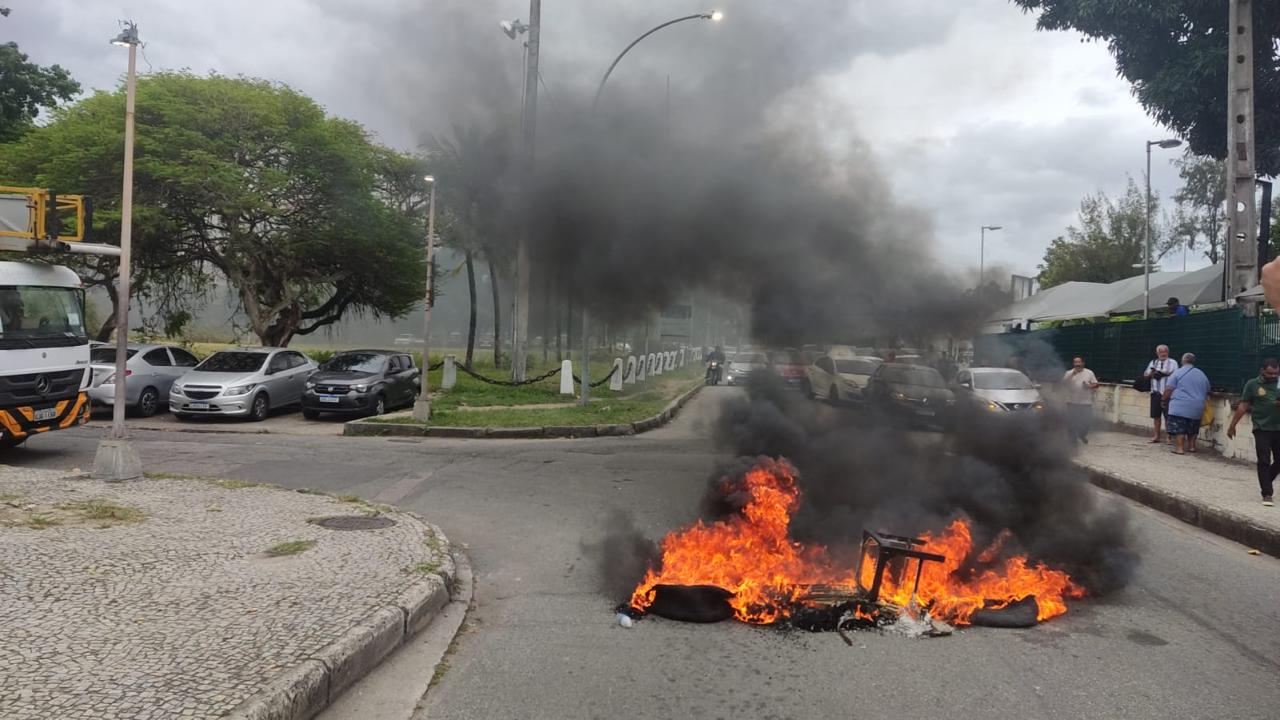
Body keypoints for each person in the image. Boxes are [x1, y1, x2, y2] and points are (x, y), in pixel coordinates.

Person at [1227, 358, 1280, 506]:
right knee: (1264, 460)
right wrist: (1232, 426)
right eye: (1270, 373)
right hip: (1262, 427)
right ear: (1262, 371)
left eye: (1276, 373)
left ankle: (1266, 479)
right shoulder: (1252, 384)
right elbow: (1243, 406)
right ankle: (1267, 493)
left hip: (1279, 428)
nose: (1274, 376)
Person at [1162, 353, 1210, 455]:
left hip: (1180, 406)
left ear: (1183, 361)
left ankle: (1180, 448)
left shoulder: (1177, 373)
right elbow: (1207, 389)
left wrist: (1163, 400)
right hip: (1197, 407)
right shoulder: (1202, 374)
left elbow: (1168, 389)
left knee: (1180, 428)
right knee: (1193, 427)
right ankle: (1192, 446)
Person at [1144, 345, 1178, 443]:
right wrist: (1153, 373)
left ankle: (1169, 437)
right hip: (1155, 392)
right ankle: (1156, 436)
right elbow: (1146, 375)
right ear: (1157, 353)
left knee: (1168, 416)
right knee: (1156, 416)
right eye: (1161, 352)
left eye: (1165, 352)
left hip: (1167, 393)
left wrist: (1163, 374)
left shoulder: (1173, 362)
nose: (1163, 354)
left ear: (1168, 352)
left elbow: (1175, 375)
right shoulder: (1153, 362)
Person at [1062, 355, 1099, 443]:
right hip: (1072, 402)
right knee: (1072, 422)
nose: (1077, 364)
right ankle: (1072, 441)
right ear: (1073, 364)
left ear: (1083, 363)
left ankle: (1082, 434)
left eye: (1079, 362)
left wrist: (1089, 386)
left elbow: (1096, 384)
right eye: (1075, 362)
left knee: (1086, 422)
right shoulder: (1068, 373)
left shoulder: (1089, 372)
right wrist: (1072, 375)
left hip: (1086, 402)